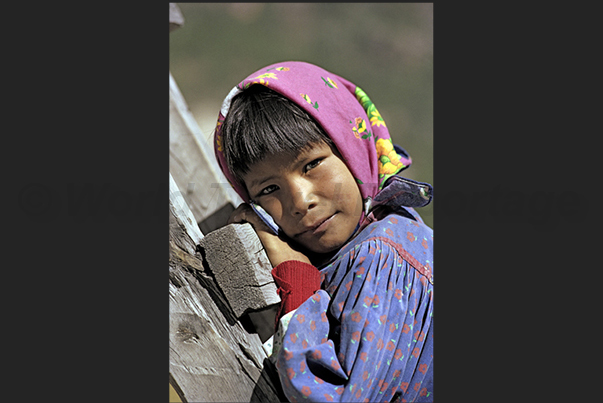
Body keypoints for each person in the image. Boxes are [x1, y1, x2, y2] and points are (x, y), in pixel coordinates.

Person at [213, 61, 433, 402]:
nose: (300, 201)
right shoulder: (377, 238)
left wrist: (297, 283)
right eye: (269, 189)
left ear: (352, 149)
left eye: (311, 164)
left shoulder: (381, 255)